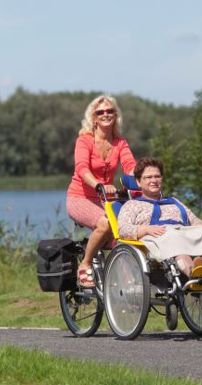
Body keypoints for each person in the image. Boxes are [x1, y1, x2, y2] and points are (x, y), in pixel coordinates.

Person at [65, 95, 136, 287]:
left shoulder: (120, 143)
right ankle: (85, 265)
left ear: (116, 115)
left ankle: (125, 281)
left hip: (106, 199)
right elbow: (82, 168)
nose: (106, 114)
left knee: (125, 232)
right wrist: (99, 185)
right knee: (105, 224)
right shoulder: (85, 141)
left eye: (110, 111)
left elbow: (130, 165)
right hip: (80, 197)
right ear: (94, 118)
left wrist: (140, 181)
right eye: (100, 112)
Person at [116, 157, 202, 277]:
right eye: (148, 177)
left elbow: (193, 219)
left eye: (157, 176)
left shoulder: (174, 201)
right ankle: (193, 272)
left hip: (182, 232)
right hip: (158, 236)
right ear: (138, 182)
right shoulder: (132, 205)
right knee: (173, 235)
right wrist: (145, 229)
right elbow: (123, 229)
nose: (154, 180)